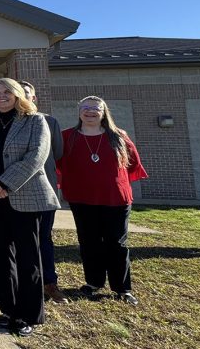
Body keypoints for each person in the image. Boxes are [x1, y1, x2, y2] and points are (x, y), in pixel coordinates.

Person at [0, 78, 59, 337]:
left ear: (19, 94)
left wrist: (5, 183)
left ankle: (28, 314)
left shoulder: (35, 121)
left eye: (7, 91)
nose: (1, 96)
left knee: (28, 257)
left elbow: (37, 156)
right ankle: (8, 309)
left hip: (25, 198)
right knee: (0, 255)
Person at [57, 96, 148, 306]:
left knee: (116, 243)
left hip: (115, 199)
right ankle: (93, 282)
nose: (90, 112)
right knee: (89, 242)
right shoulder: (67, 137)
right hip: (82, 198)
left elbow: (133, 164)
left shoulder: (118, 136)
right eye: (85, 108)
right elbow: (59, 164)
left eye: (95, 108)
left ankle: (122, 288)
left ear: (103, 111)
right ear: (79, 112)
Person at [19, 80, 68, 304]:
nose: (21, 97)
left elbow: (56, 153)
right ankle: (20, 282)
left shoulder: (49, 121)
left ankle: (49, 282)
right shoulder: (4, 123)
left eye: (25, 94)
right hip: (12, 192)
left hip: (42, 190)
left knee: (43, 238)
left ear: (33, 98)